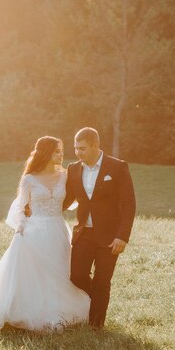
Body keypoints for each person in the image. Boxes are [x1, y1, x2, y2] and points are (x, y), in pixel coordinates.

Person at [0, 136, 90, 331]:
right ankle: (32, 310)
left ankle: (56, 310)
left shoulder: (65, 176)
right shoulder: (29, 179)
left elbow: (78, 198)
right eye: (57, 151)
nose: (61, 154)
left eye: (61, 151)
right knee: (37, 273)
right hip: (35, 230)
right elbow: (21, 208)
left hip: (57, 229)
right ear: (46, 153)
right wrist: (21, 227)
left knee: (59, 271)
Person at [63, 127, 136, 330]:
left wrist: (122, 236)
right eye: (76, 148)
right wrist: (39, 208)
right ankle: (97, 297)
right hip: (83, 234)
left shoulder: (117, 167)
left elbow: (129, 204)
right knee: (76, 276)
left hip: (110, 237)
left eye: (82, 148)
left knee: (103, 280)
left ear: (96, 145)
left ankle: (96, 327)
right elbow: (67, 200)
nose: (78, 152)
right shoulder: (73, 169)